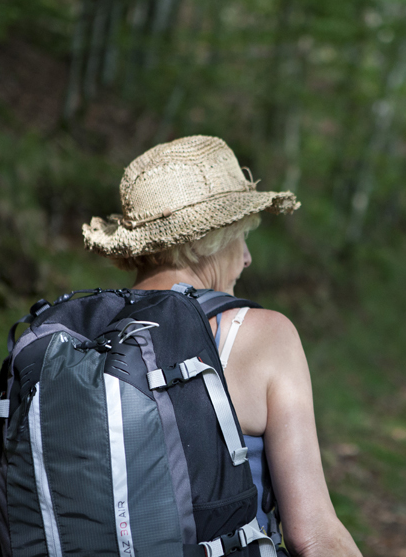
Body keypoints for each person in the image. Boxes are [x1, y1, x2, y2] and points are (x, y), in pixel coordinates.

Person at [82, 136, 363, 557]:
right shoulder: (263, 336)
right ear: (201, 241)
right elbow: (315, 535)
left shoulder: (73, 338)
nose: (247, 257)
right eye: (238, 235)